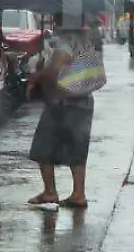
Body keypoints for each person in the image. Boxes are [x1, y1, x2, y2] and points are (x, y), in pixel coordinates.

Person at [26, 16, 98, 209]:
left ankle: (50, 191)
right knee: (78, 148)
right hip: (84, 103)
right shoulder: (85, 42)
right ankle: (78, 193)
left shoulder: (66, 44)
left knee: (43, 146)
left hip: (63, 103)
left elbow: (54, 71)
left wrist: (37, 75)